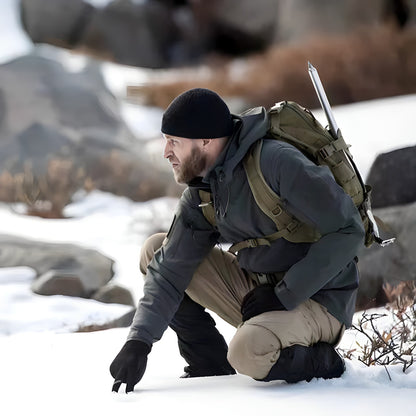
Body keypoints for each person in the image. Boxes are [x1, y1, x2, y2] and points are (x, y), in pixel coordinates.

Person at [110, 88, 365, 393]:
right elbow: (169, 270)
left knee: (248, 352)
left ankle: (325, 362)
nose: (166, 152)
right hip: (260, 295)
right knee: (156, 251)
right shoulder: (202, 190)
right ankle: (208, 363)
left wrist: (286, 292)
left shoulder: (277, 163)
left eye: (174, 142)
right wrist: (139, 341)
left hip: (319, 300)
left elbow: (348, 230)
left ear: (205, 140)